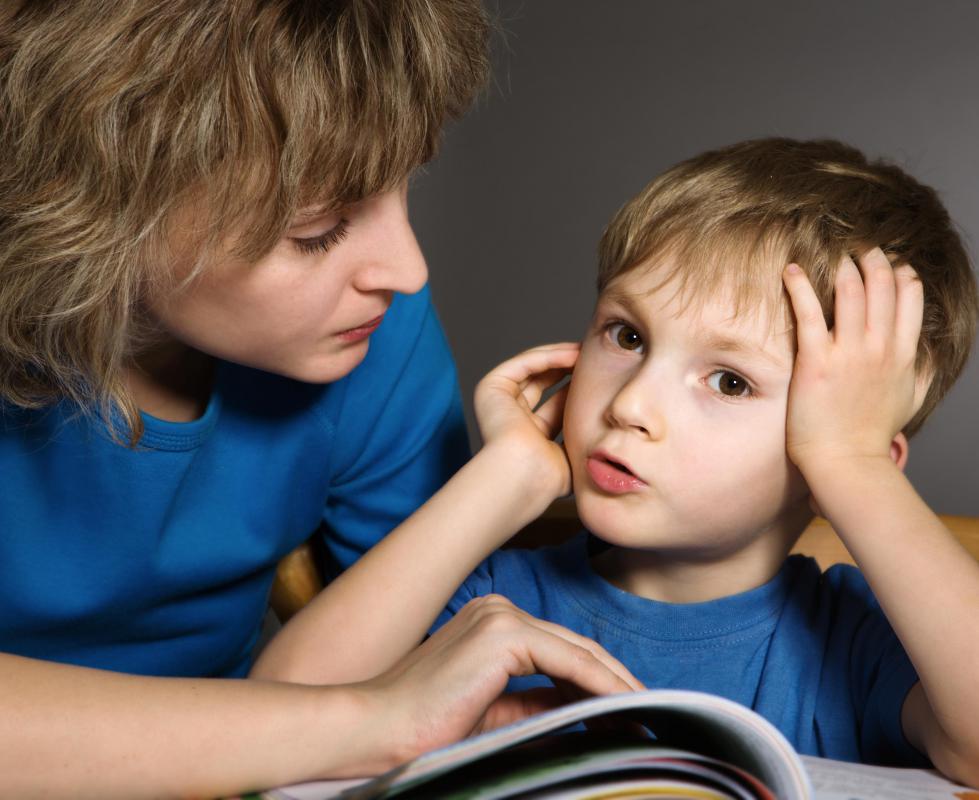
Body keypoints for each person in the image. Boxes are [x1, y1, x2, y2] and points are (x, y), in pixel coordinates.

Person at [0, 2, 643, 796]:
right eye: (318, 230)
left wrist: (510, 479)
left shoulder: (372, 339)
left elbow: (433, 651)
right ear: (90, 203)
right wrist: (367, 725)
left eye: (404, 186)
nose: (407, 271)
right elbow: (381, 712)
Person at [261, 138, 979, 787]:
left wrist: (851, 464)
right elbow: (276, 718)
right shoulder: (491, 605)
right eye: (627, 335)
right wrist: (505, 478)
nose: (630, 403)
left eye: (729, 381)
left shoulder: (853, 641)